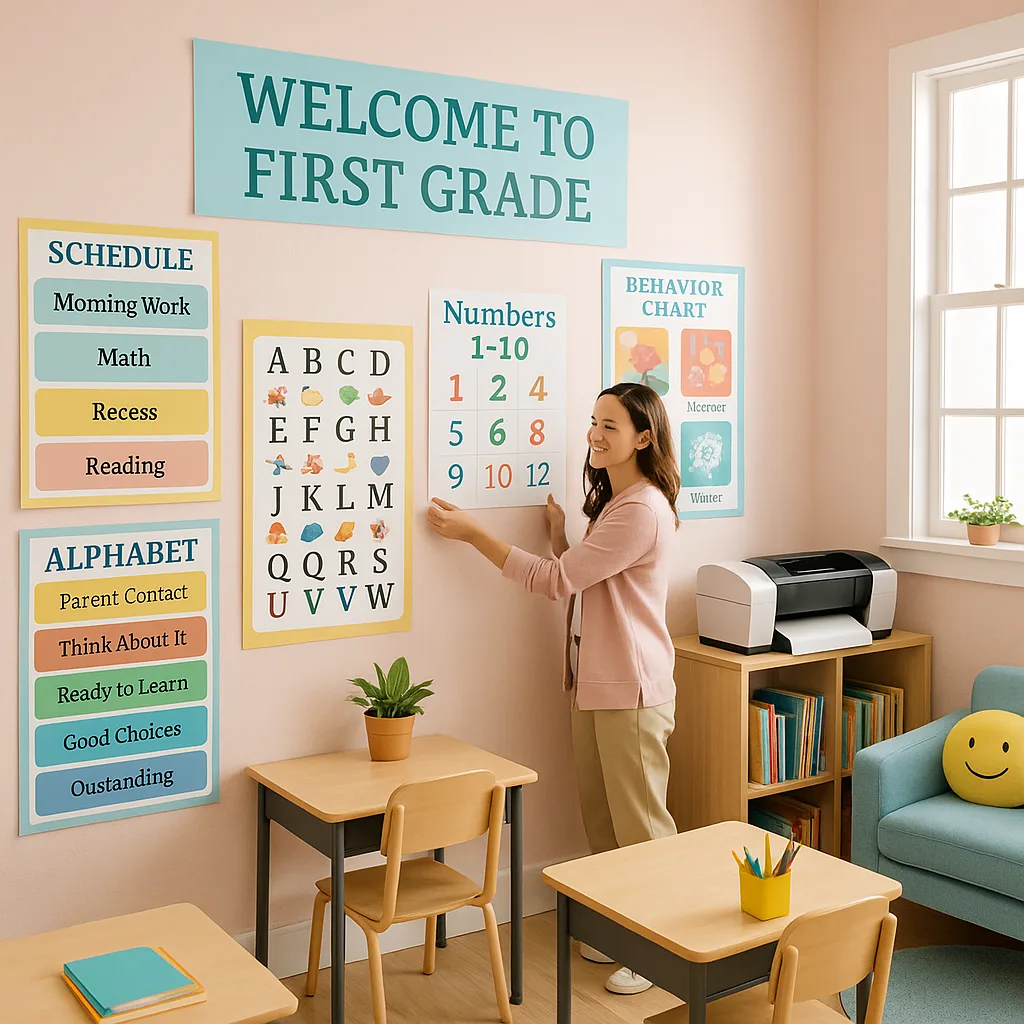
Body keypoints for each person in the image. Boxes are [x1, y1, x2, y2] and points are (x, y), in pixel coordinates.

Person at [427, 381, 680, 996]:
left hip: (632, 692)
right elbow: (590, 576)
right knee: (603, 821)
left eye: (610, 425)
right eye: (594, 421)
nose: (595, 434)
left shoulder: (642, 509)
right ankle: (620, 930)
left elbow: (556, 582)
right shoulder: (618, 504)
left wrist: (474, 533)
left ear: (643, 438)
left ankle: (662, 950)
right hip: (595, 684)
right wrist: (561, 535)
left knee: (642, 828)